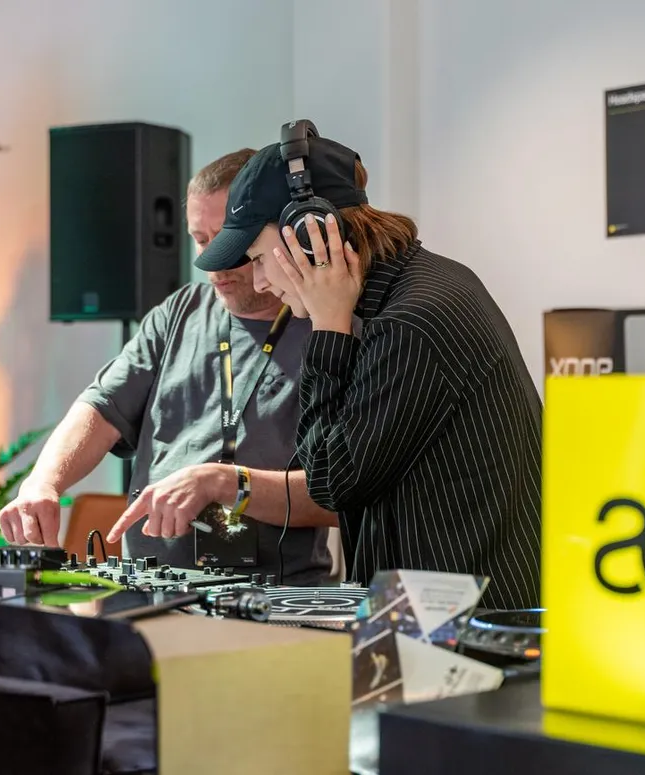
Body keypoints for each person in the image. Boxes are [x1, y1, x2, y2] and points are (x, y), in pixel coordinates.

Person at [190, 125, 542, 610]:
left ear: (310, 236)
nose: (260, 281)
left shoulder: (410, 322)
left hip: (465, 630)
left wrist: (328, 328)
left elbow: (331, 482)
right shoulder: (411, 290)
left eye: (256, 258)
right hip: (440, 613)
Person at [0, 149, 337, 585]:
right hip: (151, 586)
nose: (210, 260)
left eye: (229, 236)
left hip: (273, 594)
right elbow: (99, 409)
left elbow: (341, 494)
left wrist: (226, 482)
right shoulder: (180, 311)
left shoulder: (329, 326)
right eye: (200, 239)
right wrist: (42, 484)